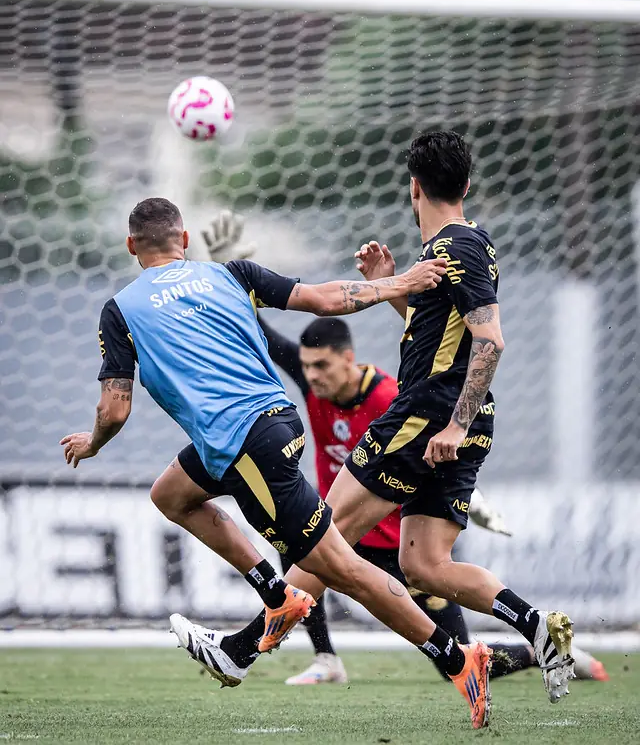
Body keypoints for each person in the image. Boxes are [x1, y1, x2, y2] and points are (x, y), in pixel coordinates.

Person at [60, 196, 493, 729]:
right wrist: (398, 282)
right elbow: (322, 298)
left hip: (244, 445)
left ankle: (457, 660)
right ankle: (274, 595)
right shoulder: (229, 273)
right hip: (271, 425)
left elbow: (115, 408)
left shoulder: (121, 309)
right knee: (171, 494)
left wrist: (93, 442)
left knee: (343, 570)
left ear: (131, 246)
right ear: (185, 239)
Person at [200, 131, 578, 708]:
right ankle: (536, 627)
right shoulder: (464, 246)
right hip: (456, 418)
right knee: (423, 566)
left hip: (428, 416)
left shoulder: (455, 247)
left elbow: (490, 341)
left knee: (323, 536)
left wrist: (454, 424)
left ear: (414, 187)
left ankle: (242, 649)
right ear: (466, 185)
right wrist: (397, 287)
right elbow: (441, 336)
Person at [251, 312, 607, 686]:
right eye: (307, 366)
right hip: (345, 533)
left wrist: (473, 498)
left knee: (455, 658)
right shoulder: (315, 384)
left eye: (321, 365)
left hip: (398, 548)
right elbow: (268, 337)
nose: (312, 375)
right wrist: (236, 287)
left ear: (348, 358)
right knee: (298, 538)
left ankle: (538, 651)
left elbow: (438, 448)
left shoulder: (391, 400)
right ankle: (325, 658)